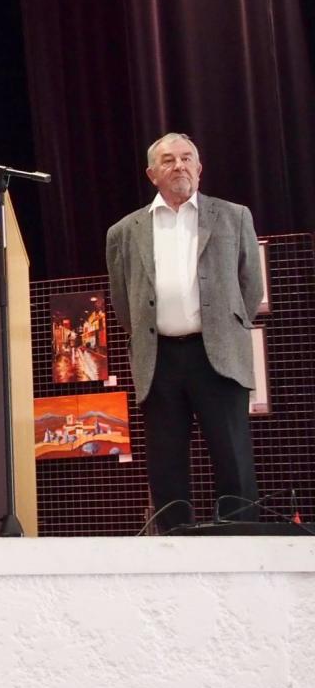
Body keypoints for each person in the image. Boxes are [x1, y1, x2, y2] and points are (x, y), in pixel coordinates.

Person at [105, 133, 262, 533]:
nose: (180, 166)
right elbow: (123, 301)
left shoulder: (234, 216)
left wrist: (223, 326)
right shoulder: (123, 232)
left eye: (187, 158)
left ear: (199, 167)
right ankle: (175, 545)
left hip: (219, 356)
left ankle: (240, 544)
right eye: (169, 160)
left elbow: (250, 288)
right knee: (166, 463)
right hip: (160, 360)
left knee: (233, 459)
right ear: (152, 174)